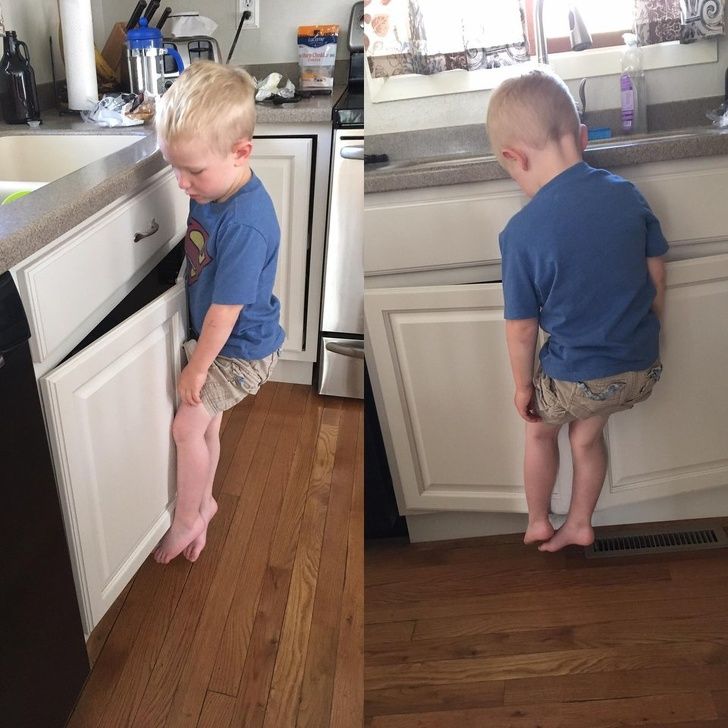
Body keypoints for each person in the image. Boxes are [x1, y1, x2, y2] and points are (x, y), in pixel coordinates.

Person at [486, 69, 667, 552]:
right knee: (585, 438)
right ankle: (581, 522)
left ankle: (540, 521)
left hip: (577, 378)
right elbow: (656, 280)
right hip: (640, 369)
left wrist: (524, 387)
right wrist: (647, 338)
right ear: (582, 137)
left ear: (514, 157)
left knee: (540, 431)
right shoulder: (627, 195)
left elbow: (522, 328)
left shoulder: (522, 233)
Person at [153, 61, 285, 564]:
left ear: (241, 152)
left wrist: (198, 367)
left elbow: (225, 314)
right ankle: (204, 504)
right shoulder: (213, 188)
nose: (183, 184)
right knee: (207, 428)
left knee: (188, 427)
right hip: (224, 340)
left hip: (239, 349)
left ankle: (187, 518)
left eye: (193, 170)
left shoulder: (246, 223)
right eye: (175, 168)